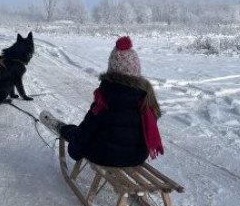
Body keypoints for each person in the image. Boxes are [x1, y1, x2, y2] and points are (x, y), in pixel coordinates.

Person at [40, 36, 163, 167]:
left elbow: (87, 129)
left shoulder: (106, 95)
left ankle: (61, 128)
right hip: (137, 157)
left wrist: (74, 151)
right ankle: (65, 129)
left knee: (76, 132)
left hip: (107, 156)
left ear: (112, 68)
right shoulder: (146, 96)